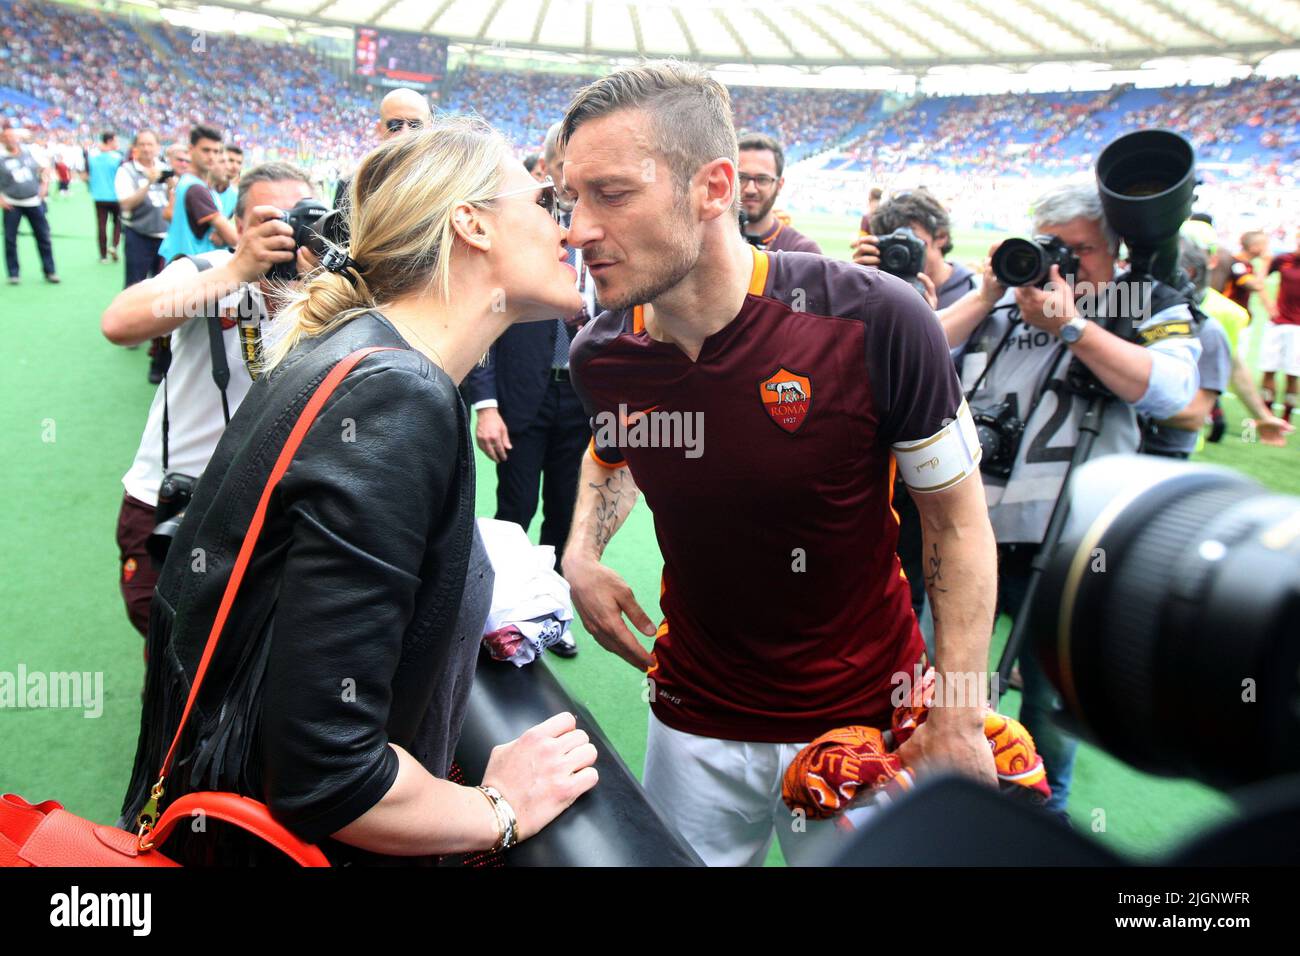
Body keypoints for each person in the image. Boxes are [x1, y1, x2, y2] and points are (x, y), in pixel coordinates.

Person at [120, 119, 598, 866]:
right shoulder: (399, 394)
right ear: (468, 222)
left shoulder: (361, 353)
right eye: (546, 201)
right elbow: (331, 776)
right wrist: (500, 808)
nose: (573, 228)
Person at [560, 61, 998, 867]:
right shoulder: (604, 355)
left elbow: (958, 522)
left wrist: (961, 712)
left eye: (610, 194)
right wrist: (581, 550)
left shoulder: (876, 320)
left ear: (714, 187)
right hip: (691, 711)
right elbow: (614, 452)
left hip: (864, 714)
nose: (577, 228)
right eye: (570, 199)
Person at [936, 182, 1201, 820]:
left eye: (1080, 250)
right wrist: (988, 293)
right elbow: (916, 352)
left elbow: (1173, 390)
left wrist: (1073, 327)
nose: (1064, 263)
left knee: (1046, 721)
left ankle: (1039, 829)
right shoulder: (1002, 303)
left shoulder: (1142, 303)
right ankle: (941, 815)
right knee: (941, 694)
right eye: (1054, 247)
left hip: (1071, 548)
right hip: (966, 536)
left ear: (1116, 254)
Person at [102, 162, 317, 637]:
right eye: (270, 218)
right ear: (238, 227)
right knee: (163, 631)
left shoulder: (328, 292)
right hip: (176, 495)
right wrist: (238, 270)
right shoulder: (206, 270)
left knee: (251, 644)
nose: (285, 230)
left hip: (269, 508)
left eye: (298, 216)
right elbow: (118, 323)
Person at [462, 121, 596, 658]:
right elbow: (483, 316)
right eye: (571, 161)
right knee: (514, 508)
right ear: (550, 168)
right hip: (521, 394)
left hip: (582, 399)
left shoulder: (605, 226)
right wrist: (486, 403)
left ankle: (551, 611)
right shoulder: (522, 219)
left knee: (566, 509)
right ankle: (498, 614)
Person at [853, 188, 976, 308]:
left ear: (941, 236)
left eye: (909, 240)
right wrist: (859, 285)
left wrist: (922, 318)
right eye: (890, 243)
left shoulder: (971, 295)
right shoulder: (876, 291)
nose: (899, 252)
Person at [332, 87, 432, 211]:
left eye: (415, 125)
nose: (405, 132)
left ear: (428, 128)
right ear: (379, 129)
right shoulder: (353, 184)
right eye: (395, 124)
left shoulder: (444, 181)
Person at [157, 124, 238, 264]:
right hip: (190, 267)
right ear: (191, 149)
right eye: (206, 150)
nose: (211, 156)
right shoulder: (196, 188)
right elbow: (233, 238)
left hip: (185, 262)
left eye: (216, 151)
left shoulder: (192, 182)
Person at [736, 133, 820, 253]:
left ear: (779, 185)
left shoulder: (802, 251)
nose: (751, 189)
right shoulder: (709, 243)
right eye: (742, 178)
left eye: (762, 179)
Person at [0, 124, 58, 285]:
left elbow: (45, 168)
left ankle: (50, 270)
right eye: (6, 137)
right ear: (2, 139)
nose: (11, 140)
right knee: (10, 239)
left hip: (33, 201)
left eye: (13, 136)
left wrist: (44, 185)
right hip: (12, 203)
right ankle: (13, 273)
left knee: (43, 236)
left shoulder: (29, 151)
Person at [115, 129, 170, 288]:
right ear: (135, 148)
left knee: (163, 286)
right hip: (139, 235)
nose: (146, 149)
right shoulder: (126, 170)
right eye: (142, 144)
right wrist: (148, 183)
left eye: (150, 144)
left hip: (164, 236)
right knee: (134, 285)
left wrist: (172, 188)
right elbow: (125, 204)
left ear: (158, 147)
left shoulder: (164, 168)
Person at [1263, 230, 1300, 424]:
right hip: (1277, 323)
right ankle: (1266, 414)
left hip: (1298, 328)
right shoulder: (1283, 260)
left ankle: (1286, 418)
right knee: (1269, 369)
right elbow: (1260, 279)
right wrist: (1269, 305)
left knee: (1292, 375)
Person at [89, 131, 124, 263]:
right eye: (115, 141)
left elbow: (87, 174)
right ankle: (114, 246)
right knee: (118, 223)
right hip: (116, 196)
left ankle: (103, 255)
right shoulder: (118, 157)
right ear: (110, 141)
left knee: (101, 225)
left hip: (98, 195)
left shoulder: (92, 156)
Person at [219, 144, 244, 218]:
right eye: (231, 160)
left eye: (239, 162)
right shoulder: (204, 187)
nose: (235, 166)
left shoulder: (234, 194)